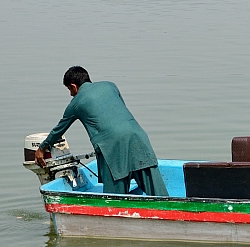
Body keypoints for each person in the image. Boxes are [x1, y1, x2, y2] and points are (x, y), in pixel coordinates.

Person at [34, 66, 169, 196]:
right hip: (137, 136)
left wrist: (42, 148)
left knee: (114, 199)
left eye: (69, 89)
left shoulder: (75, 104)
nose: (70, 94)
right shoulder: (110, 85)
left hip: (111, 148)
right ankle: (171, 213)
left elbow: (59, 129)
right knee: (157, 191)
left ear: (74, 86)